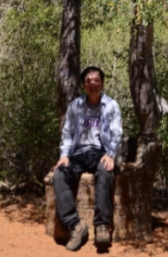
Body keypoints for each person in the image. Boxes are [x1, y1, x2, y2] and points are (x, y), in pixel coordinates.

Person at [52, 66, 123, 251]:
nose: (93, 84)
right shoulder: (75, 106)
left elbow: (116, 132)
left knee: (106, 171)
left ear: (102, 82)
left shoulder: (112, 106)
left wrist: (111, 154)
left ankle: (101, 225)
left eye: (96, 80)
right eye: (89, 81)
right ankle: (75, 225)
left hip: (101, 152)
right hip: (78, 154)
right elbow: (67, 132)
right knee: (59, 175)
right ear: (84, 85)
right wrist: (64, 155)